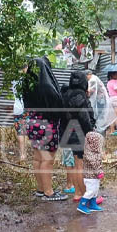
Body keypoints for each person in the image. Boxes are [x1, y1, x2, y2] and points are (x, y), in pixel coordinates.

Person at [22, 56, 67, 201]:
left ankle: (41, 189)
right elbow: (58, 106)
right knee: (47, 159)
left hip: (32, 122)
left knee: (38, 158)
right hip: (46, 124)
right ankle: (49, 192)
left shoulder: (28, 84)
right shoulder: (48, 87)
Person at [60, 71, 95, 202]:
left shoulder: (66, 93)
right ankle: (85, 195)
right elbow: (84, 117)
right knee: (80, 165)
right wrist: (90, 132)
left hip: (68, 131)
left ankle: (77, 194)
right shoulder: (80, 95)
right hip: (79, 131)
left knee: (75, 164)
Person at [78, 132, 105, 215]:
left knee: (95, 190)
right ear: (94, 144)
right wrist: (100, 172)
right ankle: (82, 205)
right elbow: (95, 165)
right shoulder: (90, 154)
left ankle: (93, 204)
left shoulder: (95, 152)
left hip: (95, 176)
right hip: (90, 177)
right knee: (90, 191)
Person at [85, 69, 117, 134]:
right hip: (101, 101)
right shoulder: (94, 78)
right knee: (100, 119)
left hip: (101, 102)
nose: (86, 78)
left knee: (99, 119)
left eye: (86, 76)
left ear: (89, 75)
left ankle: (98, 135)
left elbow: (91, 91)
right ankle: (99, 134)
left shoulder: (93, 80)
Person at [12, 66, 29, 160]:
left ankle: (22, 154)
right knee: (23, 131)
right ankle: (23, 154)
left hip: (17, 108)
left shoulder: (14, 80)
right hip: (25, 108)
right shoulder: (27, 81)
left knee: (20, 131)